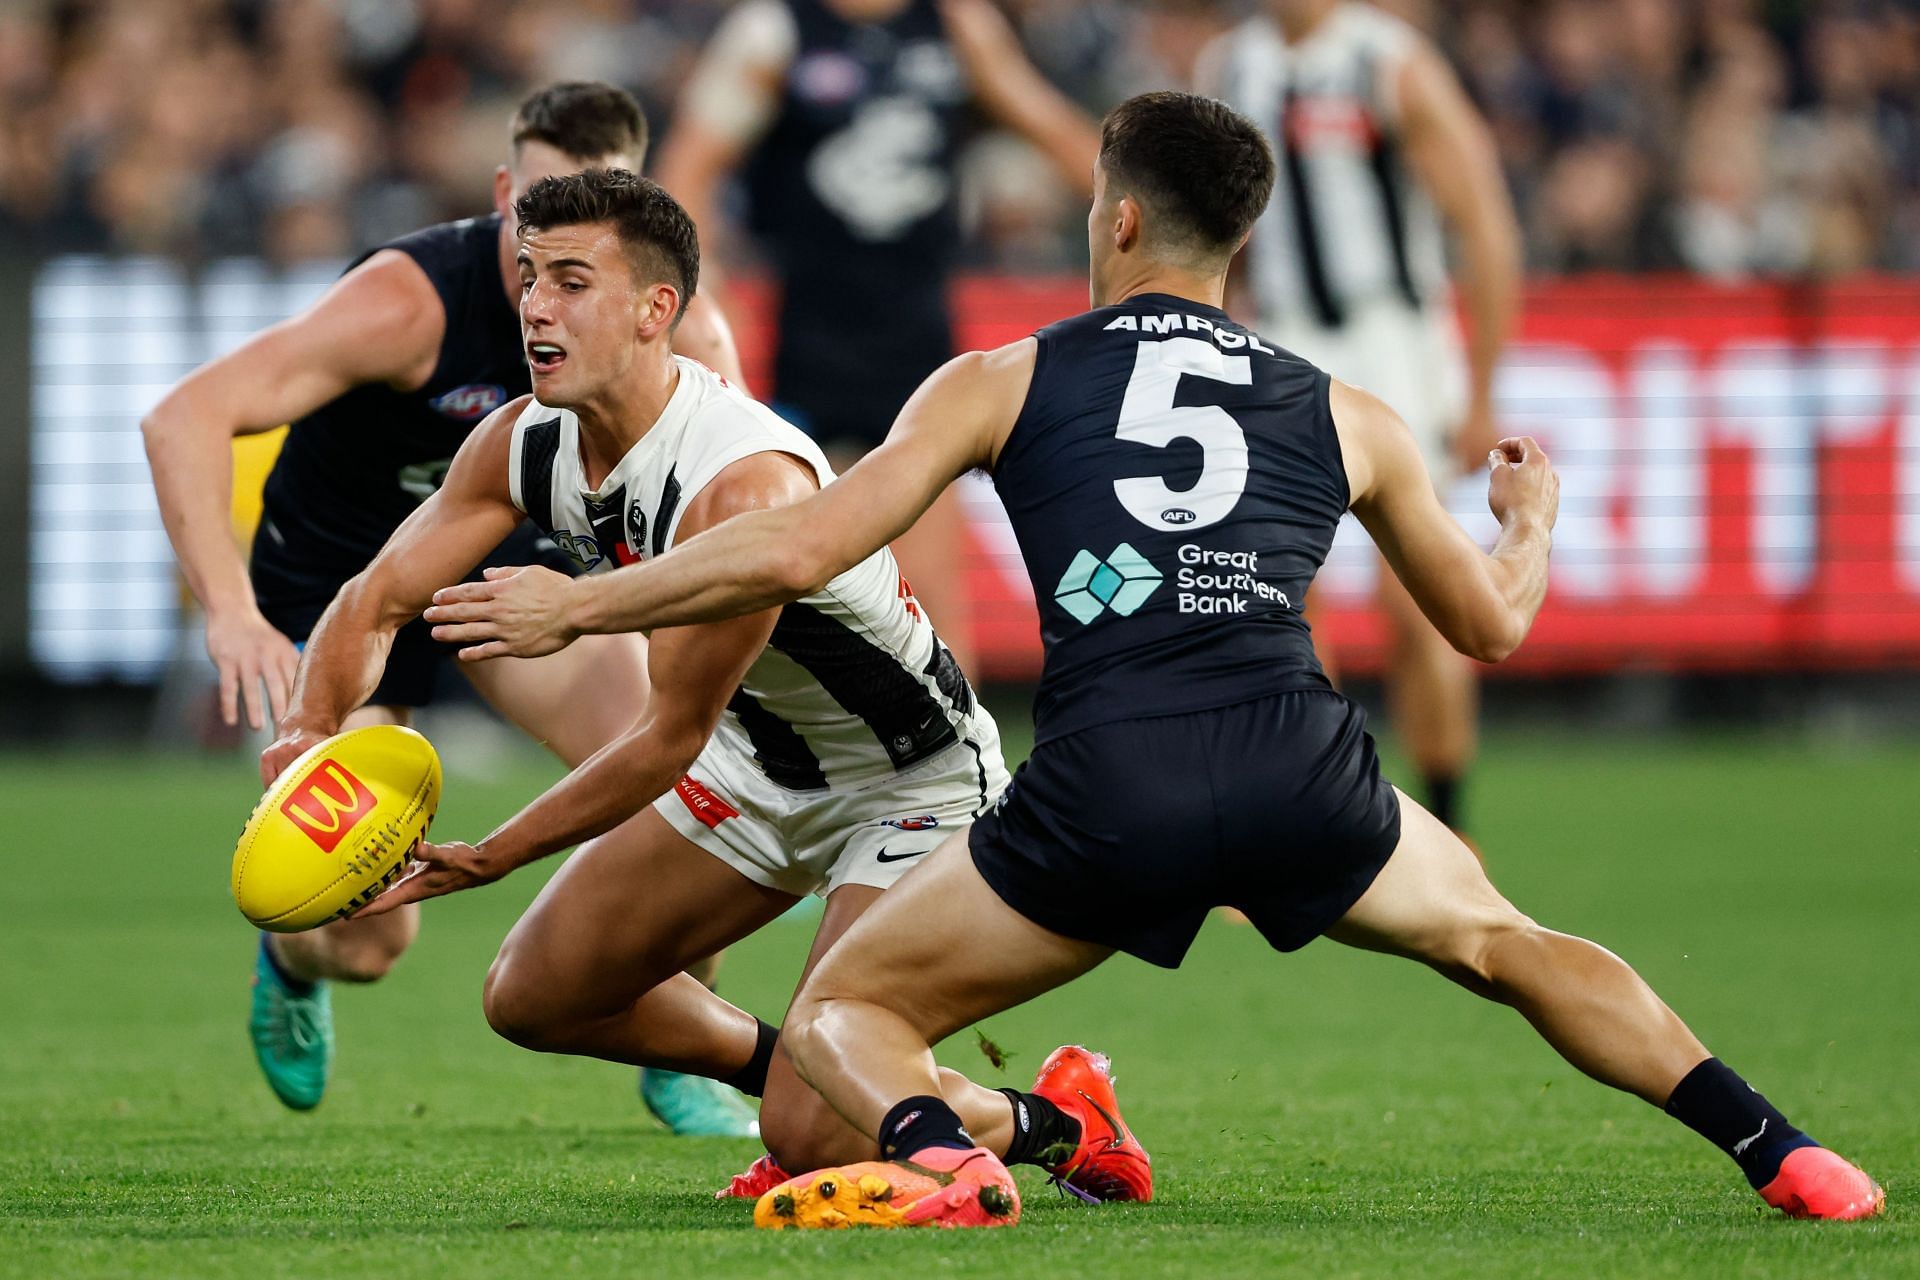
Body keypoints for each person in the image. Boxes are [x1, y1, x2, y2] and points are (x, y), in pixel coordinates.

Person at [425, 94, 1884, 1229]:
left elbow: (805, 550)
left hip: (1107, 791)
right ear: (1232, 242)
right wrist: (1533, 521)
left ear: (1117, 220)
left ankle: (947, 1158)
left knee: (840, 1020)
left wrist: (581, 612)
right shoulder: (1345, 410)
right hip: (1301, 765)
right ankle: (1784, 1148)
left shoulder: (1005, 379)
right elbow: (1492, 625)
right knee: (1508, 944)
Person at [266, 166, 1149, 1203]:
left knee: (814, 1130)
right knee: (533, 995)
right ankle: (814, 1076)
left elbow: (665, 739)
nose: (535, 305)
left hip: (907, 785)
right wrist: (307, 734)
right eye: (527, 276)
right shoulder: (522, 440)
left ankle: (1055, 1118)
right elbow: (373, 598)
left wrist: (491, 853)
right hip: (759, 762)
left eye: (570, 280)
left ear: (657, 311)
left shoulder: (741, 478)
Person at [142, 82, 757, 1134]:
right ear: (502, 192)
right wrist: (232, 608)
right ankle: (294, 960)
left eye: (580, 232)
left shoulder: (685, 332)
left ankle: (681, 1039)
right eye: (532, 216)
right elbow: (185, 414)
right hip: (338, 584)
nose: (543, 269)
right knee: (370, 938)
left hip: (495, 583)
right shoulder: (409, 300)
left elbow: (726, 514)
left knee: (690, 769)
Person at [654, 0, 1103, 675]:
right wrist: (700, 288)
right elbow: (691, 166)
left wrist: (1139, 221)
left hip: (919, 335)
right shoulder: (777, 29)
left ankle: (966, 769)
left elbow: (1042, 119)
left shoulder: (955, 23)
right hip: (814, 338)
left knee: (930, 585)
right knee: (798, 573)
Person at [1198, 0, 1523, 836]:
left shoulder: (1389, 62)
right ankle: (1308, 817)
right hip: (1285, 343)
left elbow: (1483, 221)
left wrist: (1481, 388)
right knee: (1278, 598)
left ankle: (1450, 825)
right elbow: (1207, 238)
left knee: (1415, 603)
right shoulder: (1229, 68)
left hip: (1394, 342)